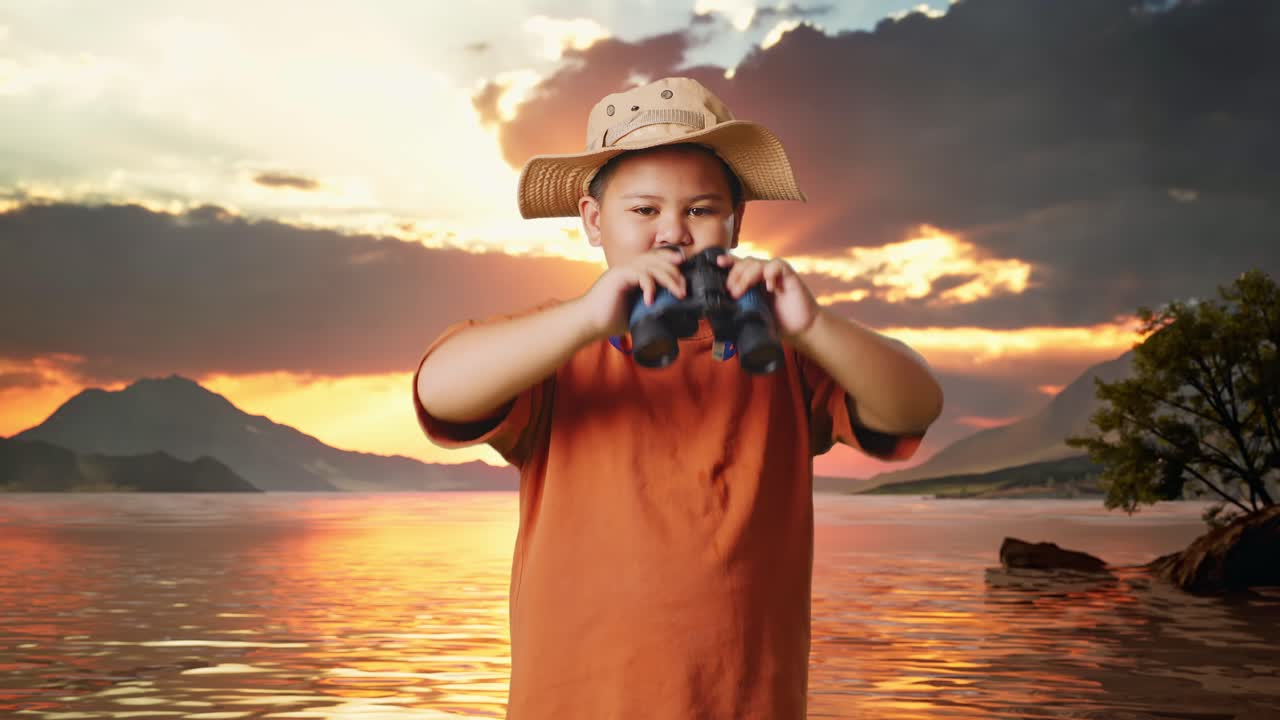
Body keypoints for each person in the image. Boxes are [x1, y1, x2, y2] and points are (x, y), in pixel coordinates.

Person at [413, 76, 943, 719]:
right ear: (591, 220)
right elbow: (438, 392)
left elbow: (915, 405)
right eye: (643, 210)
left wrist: (811, 326)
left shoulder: (787, 352)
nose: (673, 233)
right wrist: (586, 319)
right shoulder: (555, 346)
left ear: (736, 221)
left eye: (700, 209)